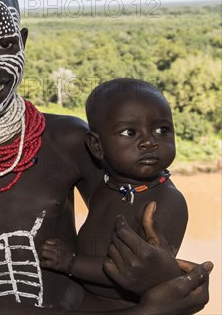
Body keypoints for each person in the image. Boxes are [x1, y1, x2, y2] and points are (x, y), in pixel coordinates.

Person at [0, 0, 212, 314]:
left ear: (23, 41)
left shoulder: (68, 138)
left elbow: (140, 212)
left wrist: (165, 275)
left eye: (4, 45)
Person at [40, 78, 188, 310]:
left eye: (162, 130)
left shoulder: (166, 202)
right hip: (81, 297)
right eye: (130, 132)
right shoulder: (107, 185)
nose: (149, 142)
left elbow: (133, 270)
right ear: (97, 147)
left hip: (123, 306)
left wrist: (70, 263)